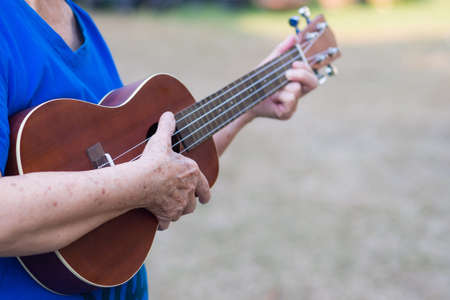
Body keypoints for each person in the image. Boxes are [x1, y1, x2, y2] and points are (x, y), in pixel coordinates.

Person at [0, 0, 318, 299]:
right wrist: (141, 186)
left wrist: (250, 102)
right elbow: (142, 177)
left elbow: (142, 157)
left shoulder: (79, 21)